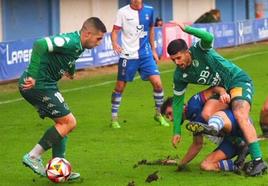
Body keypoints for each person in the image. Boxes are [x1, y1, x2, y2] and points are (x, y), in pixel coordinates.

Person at [166, 22, 267, 176]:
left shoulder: (199, 49)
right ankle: (236, 142)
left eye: (179, 58)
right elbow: (178, 102)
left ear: (187, 52)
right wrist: (176, 131)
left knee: (240, 114)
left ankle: (258, 161)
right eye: (173, 60)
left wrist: (187, 29)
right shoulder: (180, 75)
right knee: (206, 114)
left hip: (236, 81)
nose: (177, 63)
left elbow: (208, 36)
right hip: (222, 88)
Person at [18, 17, 107, 180]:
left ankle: (59, 168)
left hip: (47, 85)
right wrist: (32, 75)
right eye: (98, 38)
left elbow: (69, 58)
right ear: (87, 34)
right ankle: (33, 156)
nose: (99, 43)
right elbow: (40, 44)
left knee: (63, 126)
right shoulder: (71, 41)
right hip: (37, 85)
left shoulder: (79, 46)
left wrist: (71, 70)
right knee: (69, 122)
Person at [161, 89, 256, 175]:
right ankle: (240, 165)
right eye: (167, 117)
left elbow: (213, 89)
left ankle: (235, 138)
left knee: (211, 117)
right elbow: (197, 144)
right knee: (206, 165)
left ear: (180, 105)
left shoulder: (194, 103)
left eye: (170, 113)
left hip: (236, 122)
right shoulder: (193, 122)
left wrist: (223, 93)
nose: (170, 119)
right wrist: (182, 164)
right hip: (230, 140)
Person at [110, 0, 169, 128]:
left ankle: (158, 114)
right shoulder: (122, 12)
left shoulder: (150, 10)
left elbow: (151, 29)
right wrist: (114, 43)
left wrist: (153, 50)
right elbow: (115, 31)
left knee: (158, 84)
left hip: (145, 54)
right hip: (127, 55)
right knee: (119, 87)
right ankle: (114, 118)